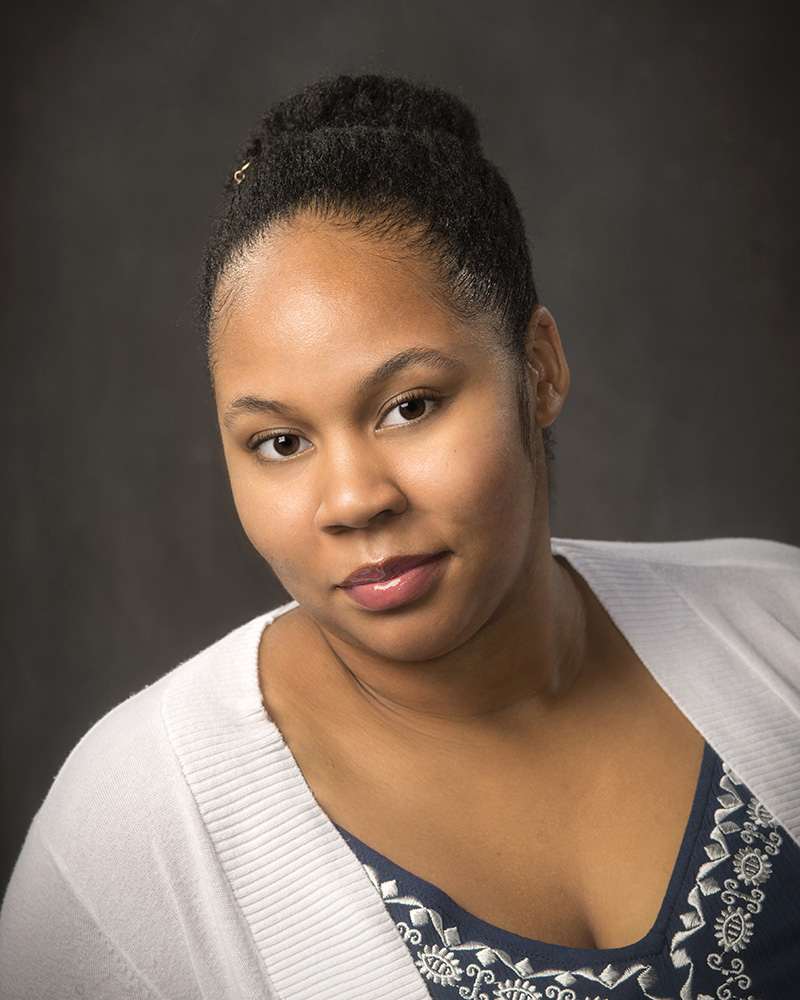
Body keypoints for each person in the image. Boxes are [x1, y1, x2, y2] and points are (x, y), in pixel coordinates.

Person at [1, 74, 799, 1000]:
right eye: (280, 442)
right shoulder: (133, 828)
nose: (352, 499)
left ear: (537, 371)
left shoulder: (778, 625)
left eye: (409, 406)